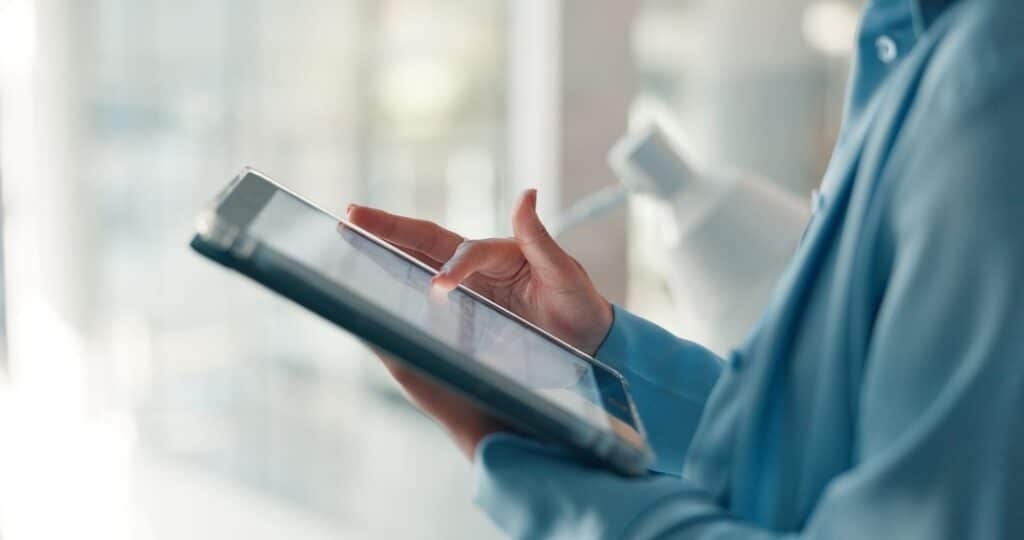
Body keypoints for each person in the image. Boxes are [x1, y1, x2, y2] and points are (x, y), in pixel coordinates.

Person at [346, 0, 1024, 537]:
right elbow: (830, 449)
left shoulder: (989, 83)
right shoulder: (909, 44)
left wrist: (509, 449)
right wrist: (595, 353)